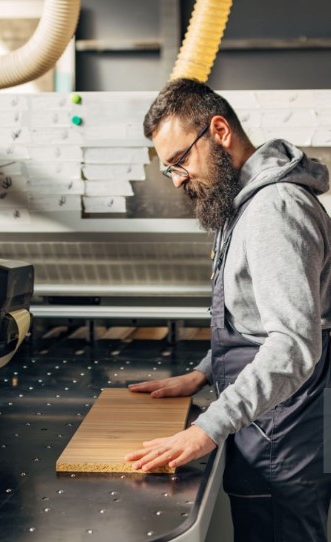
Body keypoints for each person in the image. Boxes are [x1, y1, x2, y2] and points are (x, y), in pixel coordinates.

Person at [124, 78, 331, 542]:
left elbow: (294, 344)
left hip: (286, 429)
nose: (177, 179)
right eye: (168, 170)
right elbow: (253, 317)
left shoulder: (273, 209)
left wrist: (207, 428)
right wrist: (204, 372)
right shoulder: (242, 205)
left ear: (218, 131)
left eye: (179, 161)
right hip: (270, 418)